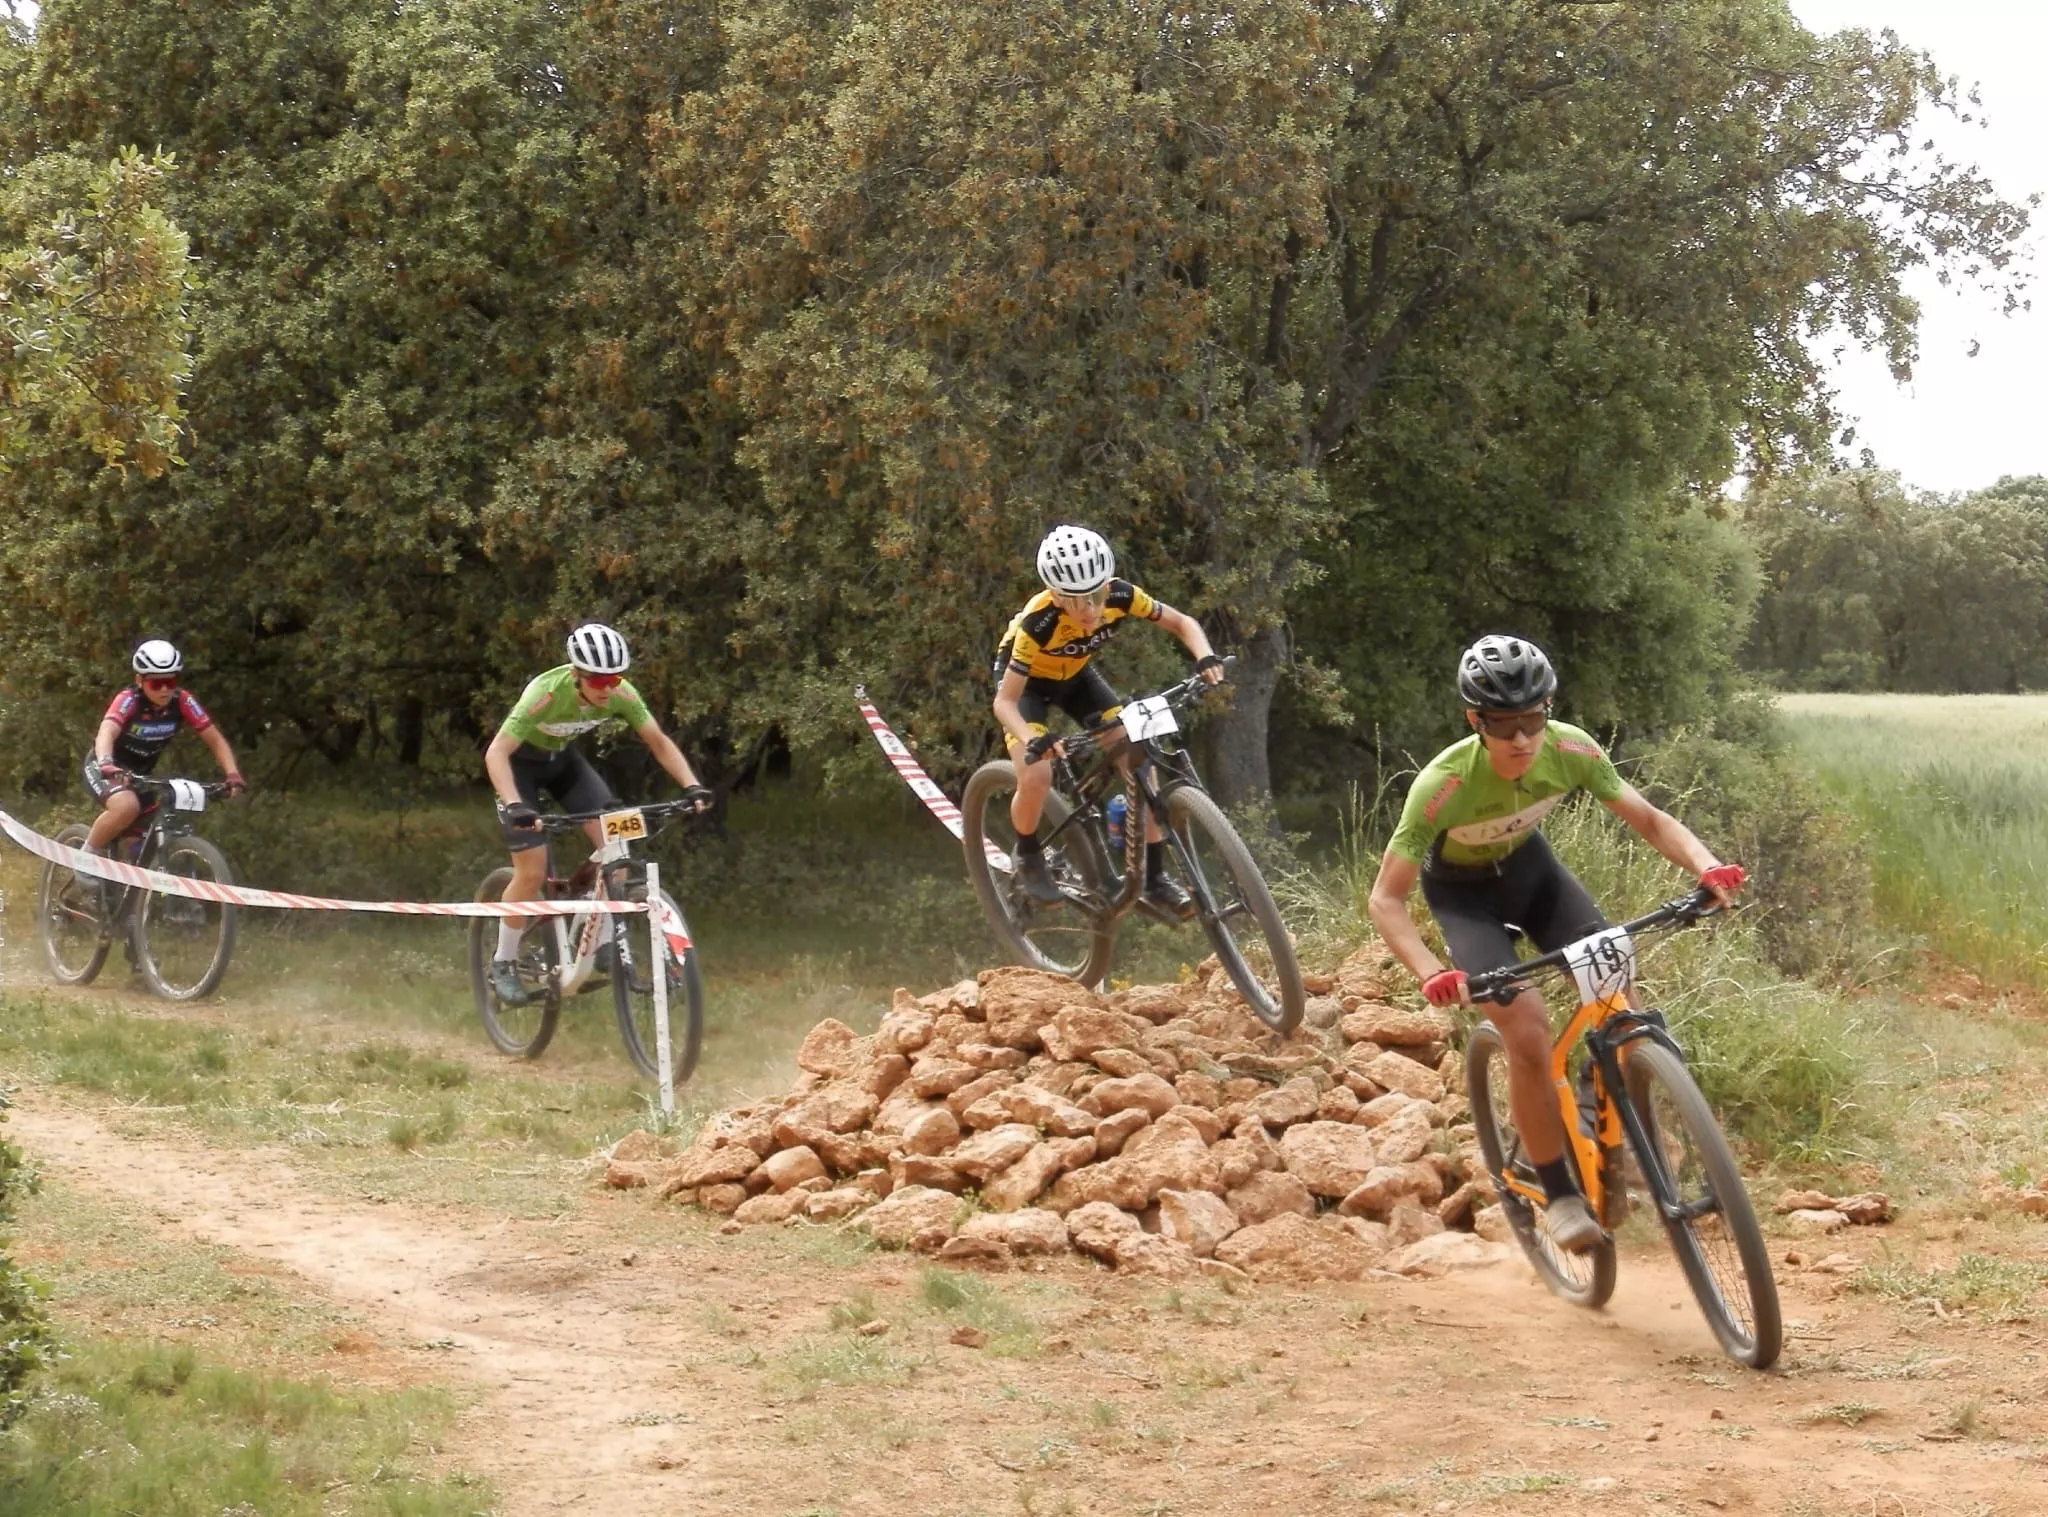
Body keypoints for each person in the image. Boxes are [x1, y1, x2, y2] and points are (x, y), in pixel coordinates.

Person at [1366, 634, 1745, 1253]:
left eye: (1533, 720)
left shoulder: (1572, 749)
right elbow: (1386, 899)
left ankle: (1614, 1115)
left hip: (1533, 877)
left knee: (1619, 993)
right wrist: (1431, 969)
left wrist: (1706, 866)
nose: (1520, 739)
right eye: (1503, 724)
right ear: (1476, 722)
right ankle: (1559, 1191)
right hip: (1464, 901)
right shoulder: (1441, 784)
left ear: (1548, 712)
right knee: (1529, 1033)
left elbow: (1648, 818)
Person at [991, 524, 1225, 916]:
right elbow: (1005, 702)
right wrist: (1031, 739)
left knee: (1139, 758)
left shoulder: (1122, 595)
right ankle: (1028, 853)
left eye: (1096, 595)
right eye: (1076, 600)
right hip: (1026, 688)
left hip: (1077, 677)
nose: (1091, 611)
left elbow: (1183, 622)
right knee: (1037, 775)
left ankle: (1153, 879)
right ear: (1055, 595)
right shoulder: (1038, 623)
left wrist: (1205, 656)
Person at [483, 623, 712, 1006]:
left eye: (615, 679)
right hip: (518, 769)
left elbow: (657, 740)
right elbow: (496, 753)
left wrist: (692, 786)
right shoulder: (546, 693)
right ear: (577, 675)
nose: (609, 688)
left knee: (616, 849)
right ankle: (503, 962)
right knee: (532, 871)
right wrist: (514, 804)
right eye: (599, 681)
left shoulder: (623, 693)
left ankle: (603, 938)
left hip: (564, 765)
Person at [80, 640, 246, 897]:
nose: (166, 689)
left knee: (143, 837)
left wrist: (232, 775)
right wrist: (106, 763)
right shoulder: (128, 700)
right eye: (157, 683)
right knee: (126, 807)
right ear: (139, 680)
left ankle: (125, 904)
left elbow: (214, 738)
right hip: (106, 765)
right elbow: (107, 731)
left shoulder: (183, 701)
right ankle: (86, 857)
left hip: (141, 774)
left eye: (172, 680)